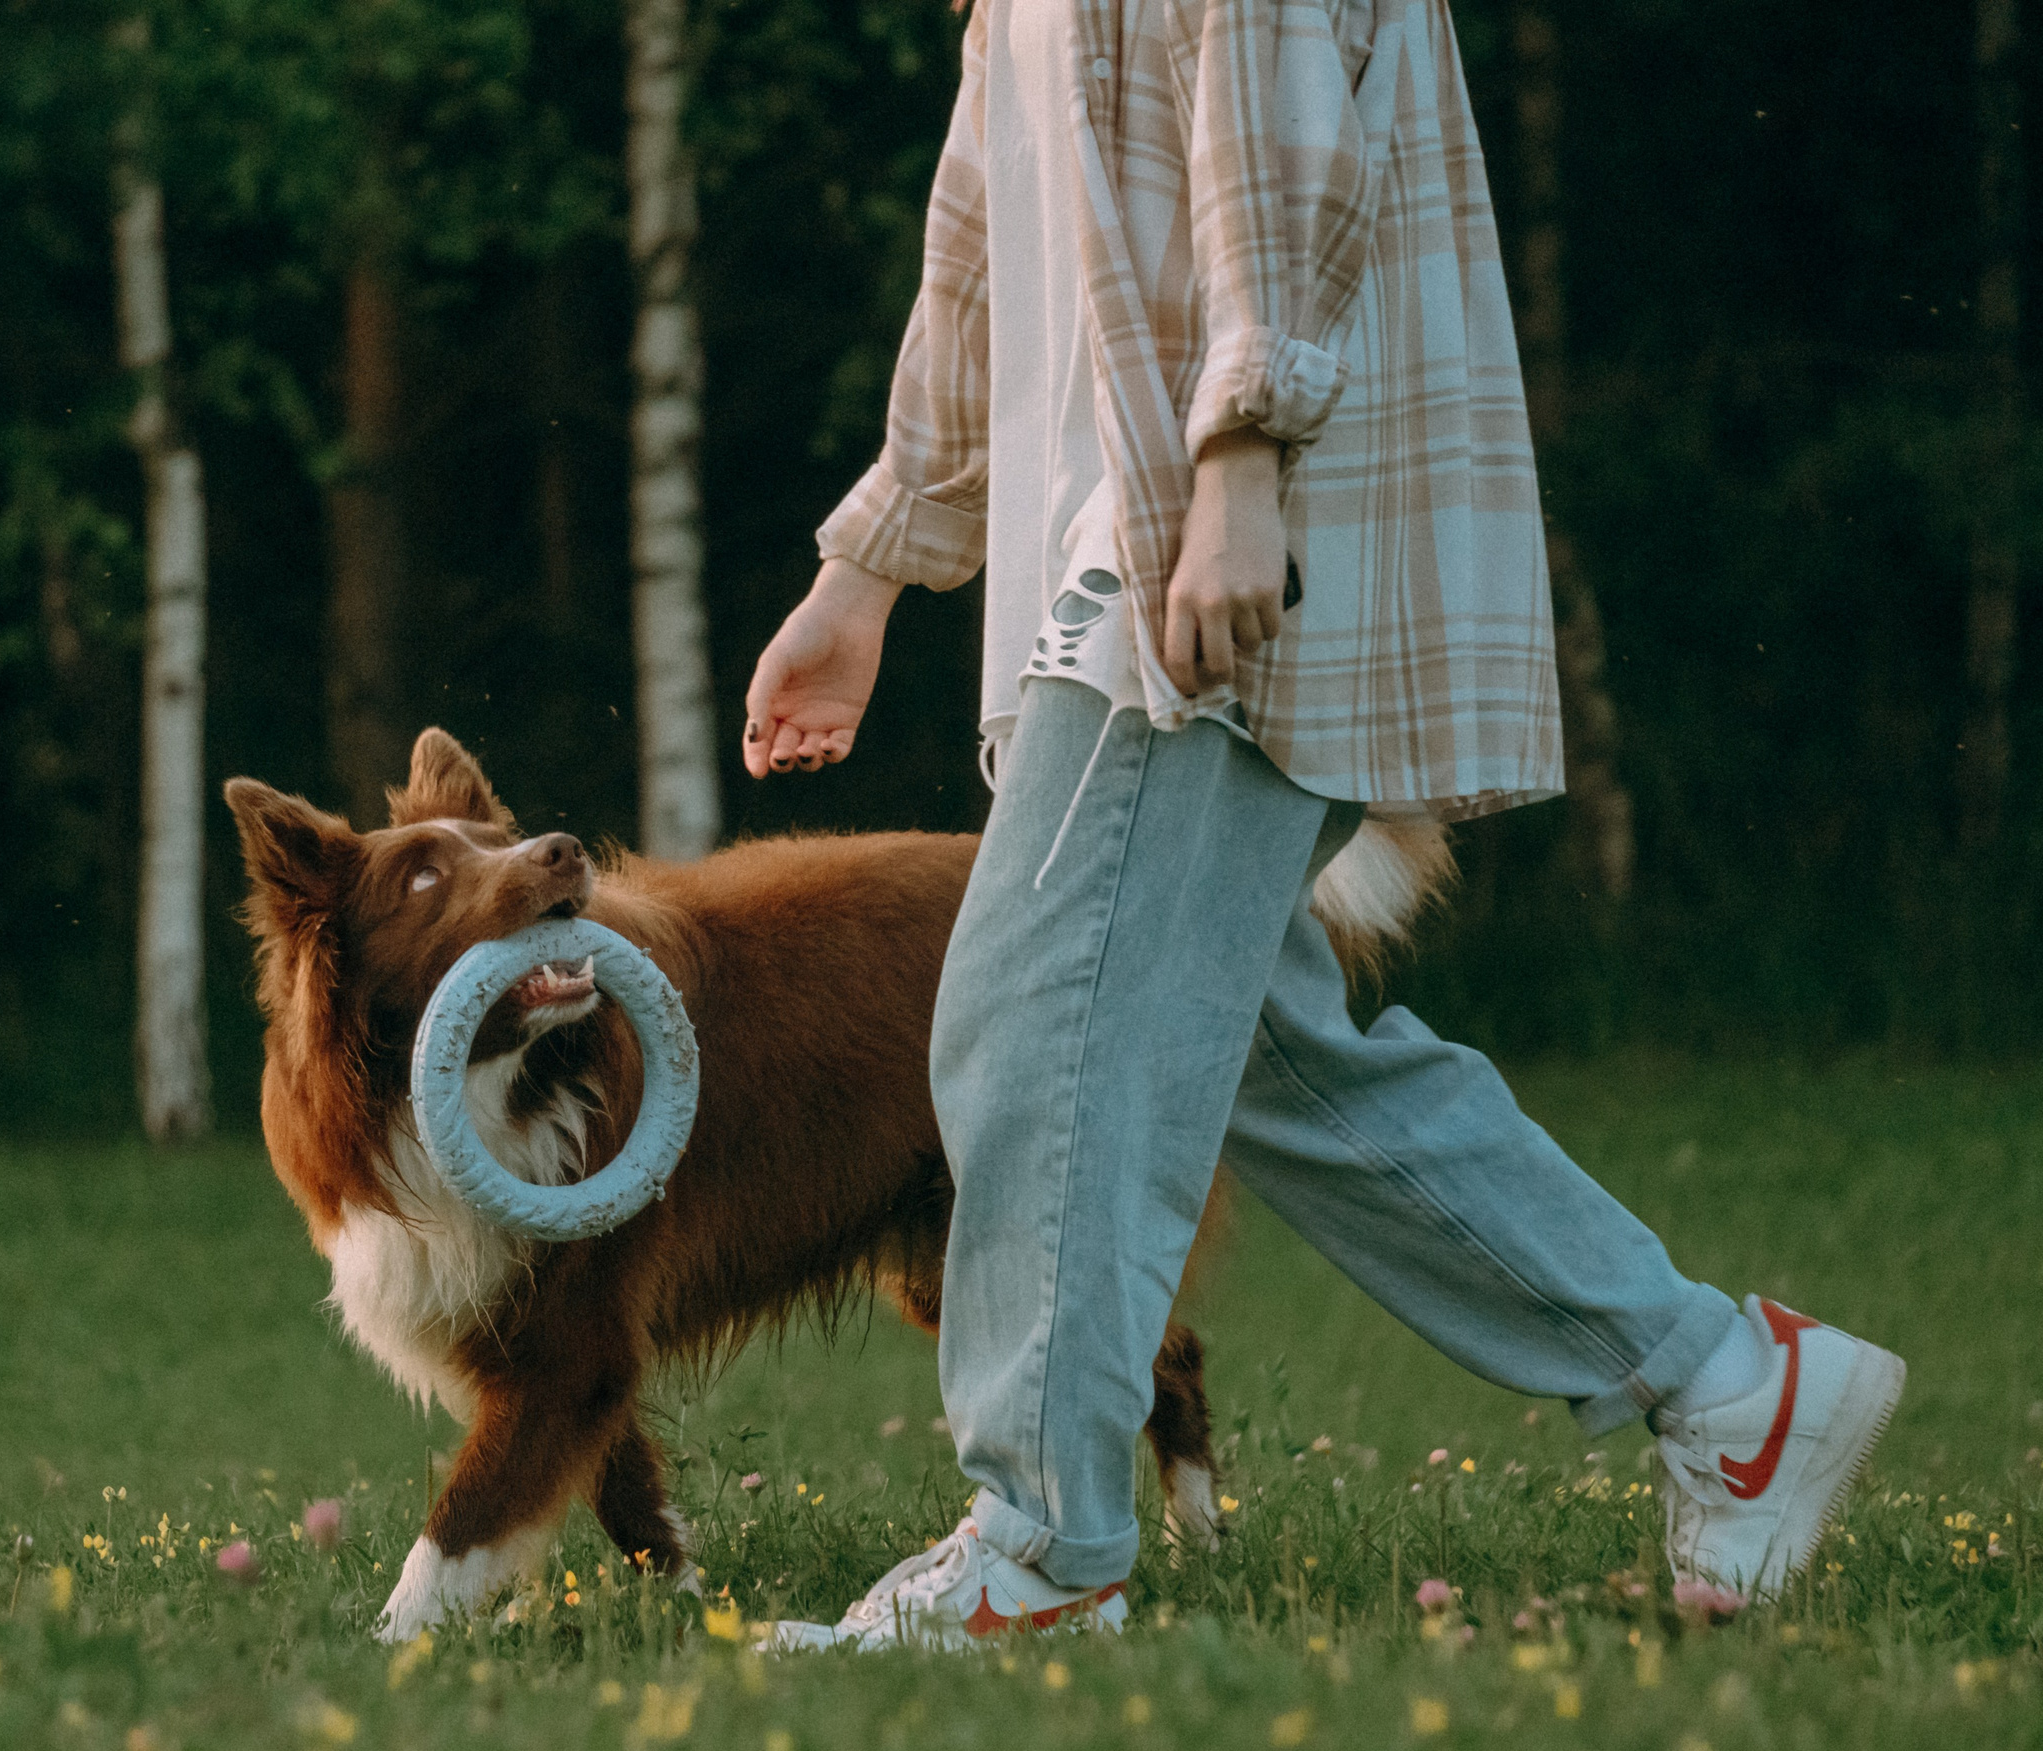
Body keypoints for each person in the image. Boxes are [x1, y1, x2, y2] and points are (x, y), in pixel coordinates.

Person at [743, 0, 1903, 1649]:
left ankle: (1044, 1548)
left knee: (1030, 1014)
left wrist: (1243, 457)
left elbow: (1285, 141)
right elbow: (989, 230)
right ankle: (1732, 1384)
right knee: (1280, 1063)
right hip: (1145, 517)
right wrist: (865, 567)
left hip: (1217, 530)